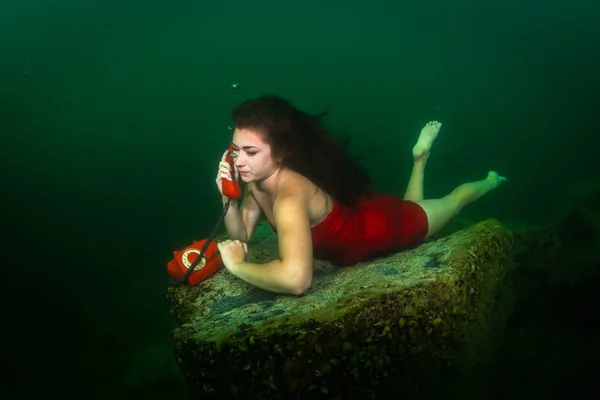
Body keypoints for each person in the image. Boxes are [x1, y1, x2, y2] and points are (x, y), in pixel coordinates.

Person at [215, 95, 506, 296]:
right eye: (235, 150)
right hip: (365, 214)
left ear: (281, 153)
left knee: (454, 203)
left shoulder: (289, 197)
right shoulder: (256, 184)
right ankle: (420, 159)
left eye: (251, 152)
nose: (239, 162)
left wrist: (240, 266)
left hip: (378, 228)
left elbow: (296, 280)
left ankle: (490, 182)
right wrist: (227, 196)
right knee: (413, 205)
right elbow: (242, 236)